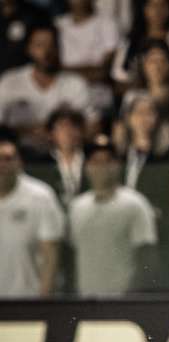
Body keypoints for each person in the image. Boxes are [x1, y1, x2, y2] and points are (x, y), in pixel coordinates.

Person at [68, 136, 158, 296]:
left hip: (123, 302)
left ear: (117, 165)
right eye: (95, 161)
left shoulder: (135, 204)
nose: (101, 167)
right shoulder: (77, 207)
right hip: (84, 301)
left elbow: (147, 257)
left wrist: (133, 295)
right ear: (87, 167)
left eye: (107, 161)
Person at [0, 24, 93, 155]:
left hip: (64, 155)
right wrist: (29, 131)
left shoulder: (75, 83)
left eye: (52, 45)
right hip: (18, 154)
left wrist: (64, 132)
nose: (47, 51)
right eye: (40, 45)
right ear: (29, 48)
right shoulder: (10, 81)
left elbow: (93, 125)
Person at [0, 131, 64, 298]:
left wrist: (42, 304)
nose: (2, 165)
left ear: (19, 162)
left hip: (27, 303)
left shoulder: (41, 197)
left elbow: (50, 256)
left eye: (8, 158)